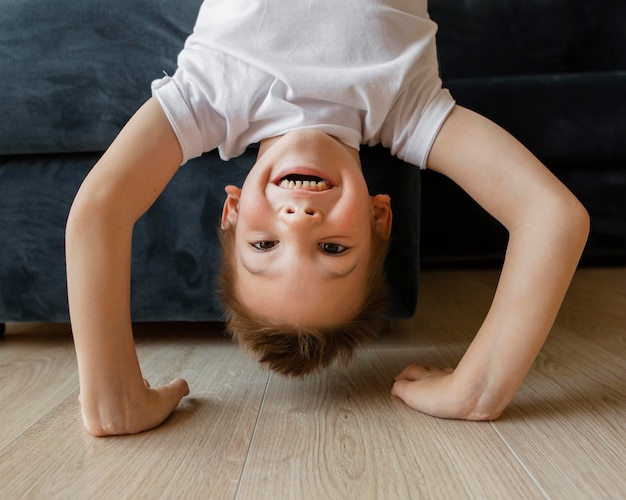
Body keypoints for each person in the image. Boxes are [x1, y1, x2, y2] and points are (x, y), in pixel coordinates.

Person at [65, 0, 589, 436]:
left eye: (264, 246)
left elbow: (100, 212)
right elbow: (552, 216)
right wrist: (479, 387)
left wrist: (112, 399)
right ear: (379, 217)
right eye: (333, 249)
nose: (299, 220)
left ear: (233, 211)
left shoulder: (208, 100)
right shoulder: (407, 108)